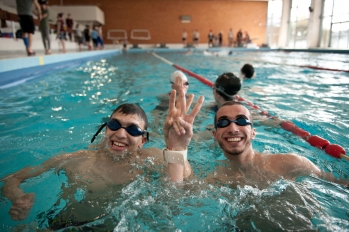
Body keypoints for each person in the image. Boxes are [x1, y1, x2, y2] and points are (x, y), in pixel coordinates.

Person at [1, 98, 194, 224]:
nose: (120, 134)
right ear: (105, 129)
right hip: (68, 224)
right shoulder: (75, 160)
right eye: (114, 125)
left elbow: (184, 187)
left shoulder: (153, 158)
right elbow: (12, 178)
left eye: (132, 130)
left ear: (143, 140)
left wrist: (177, 148)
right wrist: (16, 196)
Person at [167, 99, 349, 189]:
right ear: (215, 135)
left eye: (241, 121)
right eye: (223, 122)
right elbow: (175, 195)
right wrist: (178, 147)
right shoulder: (217, 181)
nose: (232, 128)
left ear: (253, 132)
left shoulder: (291, 163)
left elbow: (336, 184)